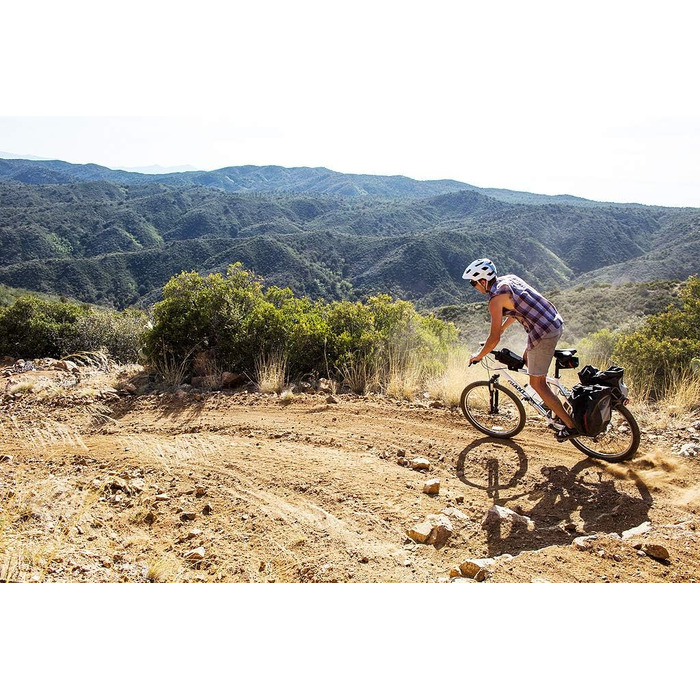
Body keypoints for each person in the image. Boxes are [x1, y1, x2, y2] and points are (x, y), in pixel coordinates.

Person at [463, 258, 578, 441]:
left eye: (473, 283)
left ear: (483, 281)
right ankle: (551, 403)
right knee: (527, 358)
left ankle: (571, 426)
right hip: (553, 321)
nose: (473, 287)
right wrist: (502, 327)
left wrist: (479, 356)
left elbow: (493, 339)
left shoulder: (495, 301)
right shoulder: (510, 280)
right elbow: (518, 311)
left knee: (536, 383)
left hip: (543, 332)